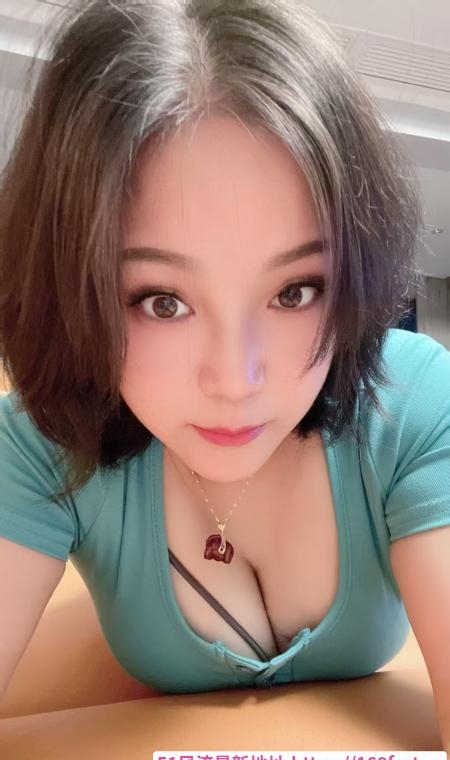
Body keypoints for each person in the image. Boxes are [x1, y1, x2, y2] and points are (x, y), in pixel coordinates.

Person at [0, 0, 449, 747]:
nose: (236, 381)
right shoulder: (43, 440)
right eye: (162, 301)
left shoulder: (414, 405)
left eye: (294, 291)